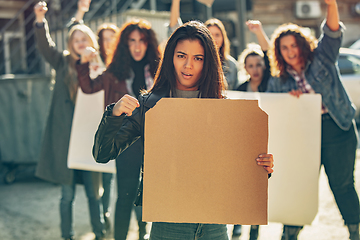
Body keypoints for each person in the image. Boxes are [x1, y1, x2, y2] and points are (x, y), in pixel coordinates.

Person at [91, 20, 274, 240]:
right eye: (181, 56)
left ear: (208, 63)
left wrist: (262, 166)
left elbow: (236, 168)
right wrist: (113, 114)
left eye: (198, 58)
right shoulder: (149, 105)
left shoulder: (223, 107)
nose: (188, 65)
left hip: (214, 225)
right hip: (168, 225)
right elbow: (103, 154)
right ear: (170, 57)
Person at [266, 1, 360, 240]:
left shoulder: (322, 58)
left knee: (342, 184)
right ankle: (290, 233)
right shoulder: (279, 80)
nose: (291, 51)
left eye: (294, 45)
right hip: (303, 136)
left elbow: (332, 31)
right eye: (284, 47)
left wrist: (331, 4)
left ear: (303, 44)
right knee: (298, 185)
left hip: (337, 128)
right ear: (279, 52)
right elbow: (275, 113)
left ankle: (355, 229)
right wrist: (290, 101)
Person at [76, 18, 160, 240]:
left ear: (148, 43)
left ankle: (144, 234)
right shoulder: (114, 72)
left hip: (158, 140)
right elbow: (88, 86)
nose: (137, 46)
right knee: (125, 195)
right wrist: (83, 63)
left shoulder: (160, 70)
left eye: (141, 40)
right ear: (124, 44)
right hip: (127, 141)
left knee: (151, 196)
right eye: (132, 41)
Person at [33, 1, 105, 240]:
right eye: (76, 41)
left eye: (84, 39)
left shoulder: (98, 66)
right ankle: (67, 235)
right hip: (66, 140)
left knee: (94, 194)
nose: (80, 43)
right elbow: (45, 47)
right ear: (71, 45)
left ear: (91, 42)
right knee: (67, 195)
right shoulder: (62, 62)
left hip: (88, 138)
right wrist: (40, 21)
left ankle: (100, 231)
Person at [233, 20, 271, 240]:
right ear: (245, 68)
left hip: (263, 141)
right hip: (243, 141)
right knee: (240, 184)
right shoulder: (239, 89)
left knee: (258, 186)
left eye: (259, 64)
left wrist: (258, 32)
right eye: (251, 65)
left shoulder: (270, 84)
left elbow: (269, 54)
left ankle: (255, 230)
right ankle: (237, 223)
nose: (255, 69)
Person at [169, 0, 239, 90]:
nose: (213, 38)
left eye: (217, 35)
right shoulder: (194, 60)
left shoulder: (232, 65)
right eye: (210, 34)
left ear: (223, 38)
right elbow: (174, 28)